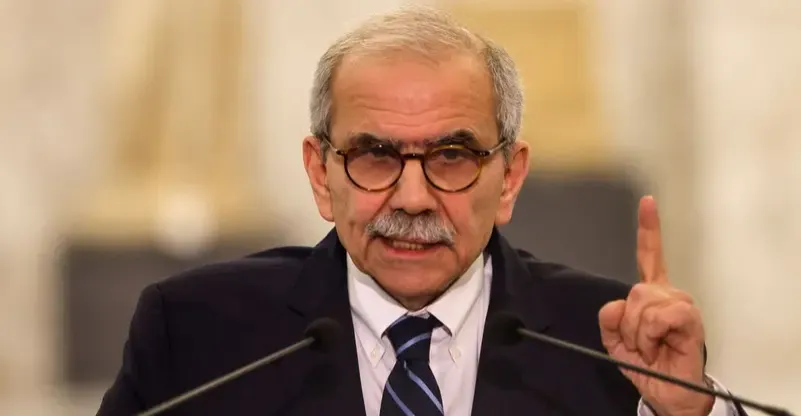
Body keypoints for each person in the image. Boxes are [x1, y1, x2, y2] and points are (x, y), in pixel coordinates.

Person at [97, 7, 746, 416]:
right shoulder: (198, 333)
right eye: (375, 155)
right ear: (320, 173)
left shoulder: (610, 345)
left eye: (453, 156)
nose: (412, 199)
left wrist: (692, 414)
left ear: (510, 177)